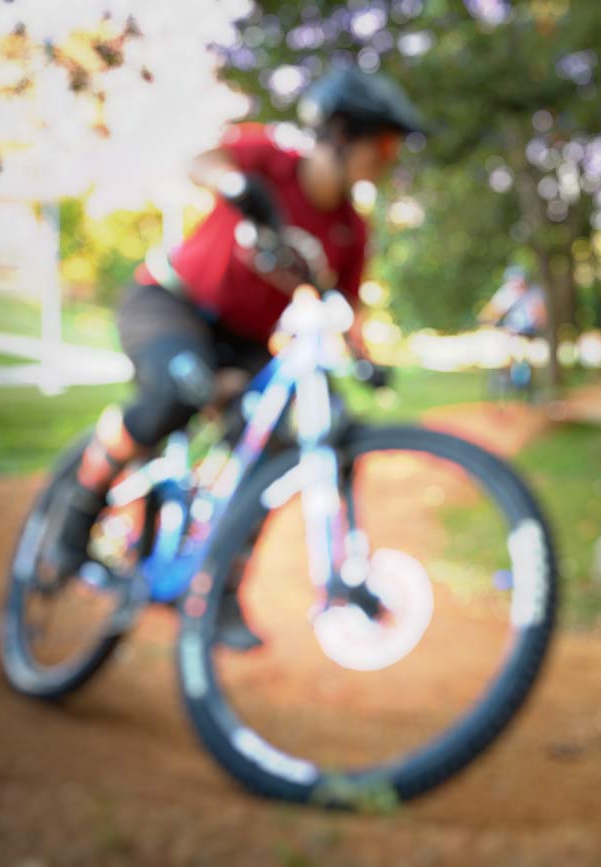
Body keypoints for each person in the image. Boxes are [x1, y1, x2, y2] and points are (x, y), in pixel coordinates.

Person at [43, 68, 425, 651]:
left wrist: (364, 358)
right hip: (171, 305)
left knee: (269, 453)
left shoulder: (350, 230)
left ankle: (216, 592)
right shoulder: (271, 159)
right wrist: (233, 185)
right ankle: (76, 515)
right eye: (385, 145)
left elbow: (345, 308)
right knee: (179, 389)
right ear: (343, 133)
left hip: (245, 345)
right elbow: (202, 161)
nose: (388, 159)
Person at [478, 265, 548, 397]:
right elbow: (490, 312)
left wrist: (535, 320)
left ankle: (527, 384)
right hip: (511, 331)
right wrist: (488, 320)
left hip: (530, 331)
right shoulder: (506, 293)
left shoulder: (534, 293)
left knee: (527, 354)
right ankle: (506, 376)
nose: (516, 286)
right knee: (505, 347)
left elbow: (540, 316)